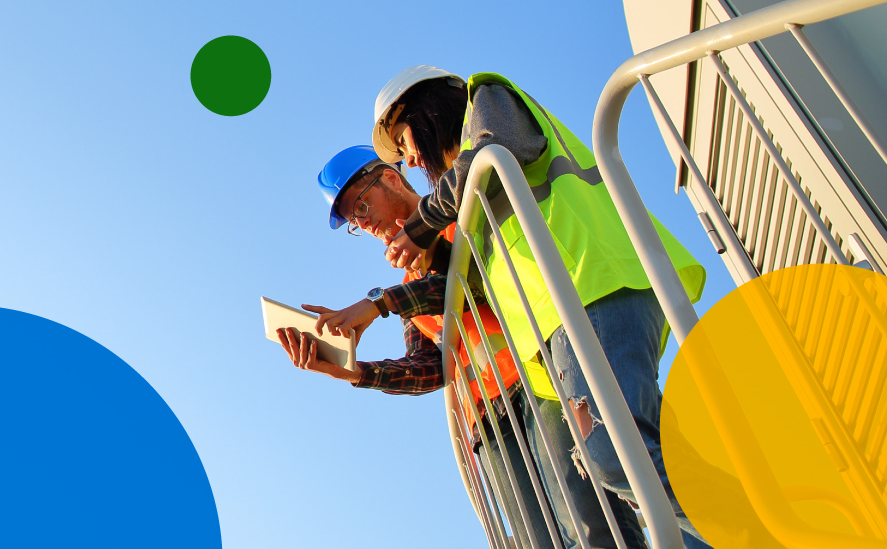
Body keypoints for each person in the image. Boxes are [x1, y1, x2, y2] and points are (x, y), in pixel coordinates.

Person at [369, 65, 711, 548]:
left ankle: (754, 527)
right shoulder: (466, 200)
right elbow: (465, 292)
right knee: (623, 457)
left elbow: (499, 148)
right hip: (560, 324)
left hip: (592, 282)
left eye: (402, 139)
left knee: (615, 457)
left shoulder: (483, 100)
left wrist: (420, 227)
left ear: (426, 105)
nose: (409, 156)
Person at [277, 145, 647, 549]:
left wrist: (381, 302)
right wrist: (355, 372)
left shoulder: (467, 216)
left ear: (392, 178)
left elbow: (467, 280)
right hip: (486, 422)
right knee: (542, 542)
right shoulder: (405, 284)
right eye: (353, 221)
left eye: (361, 207)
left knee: (591, 524)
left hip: (537, 383)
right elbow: (429, 367)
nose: (363, 225)